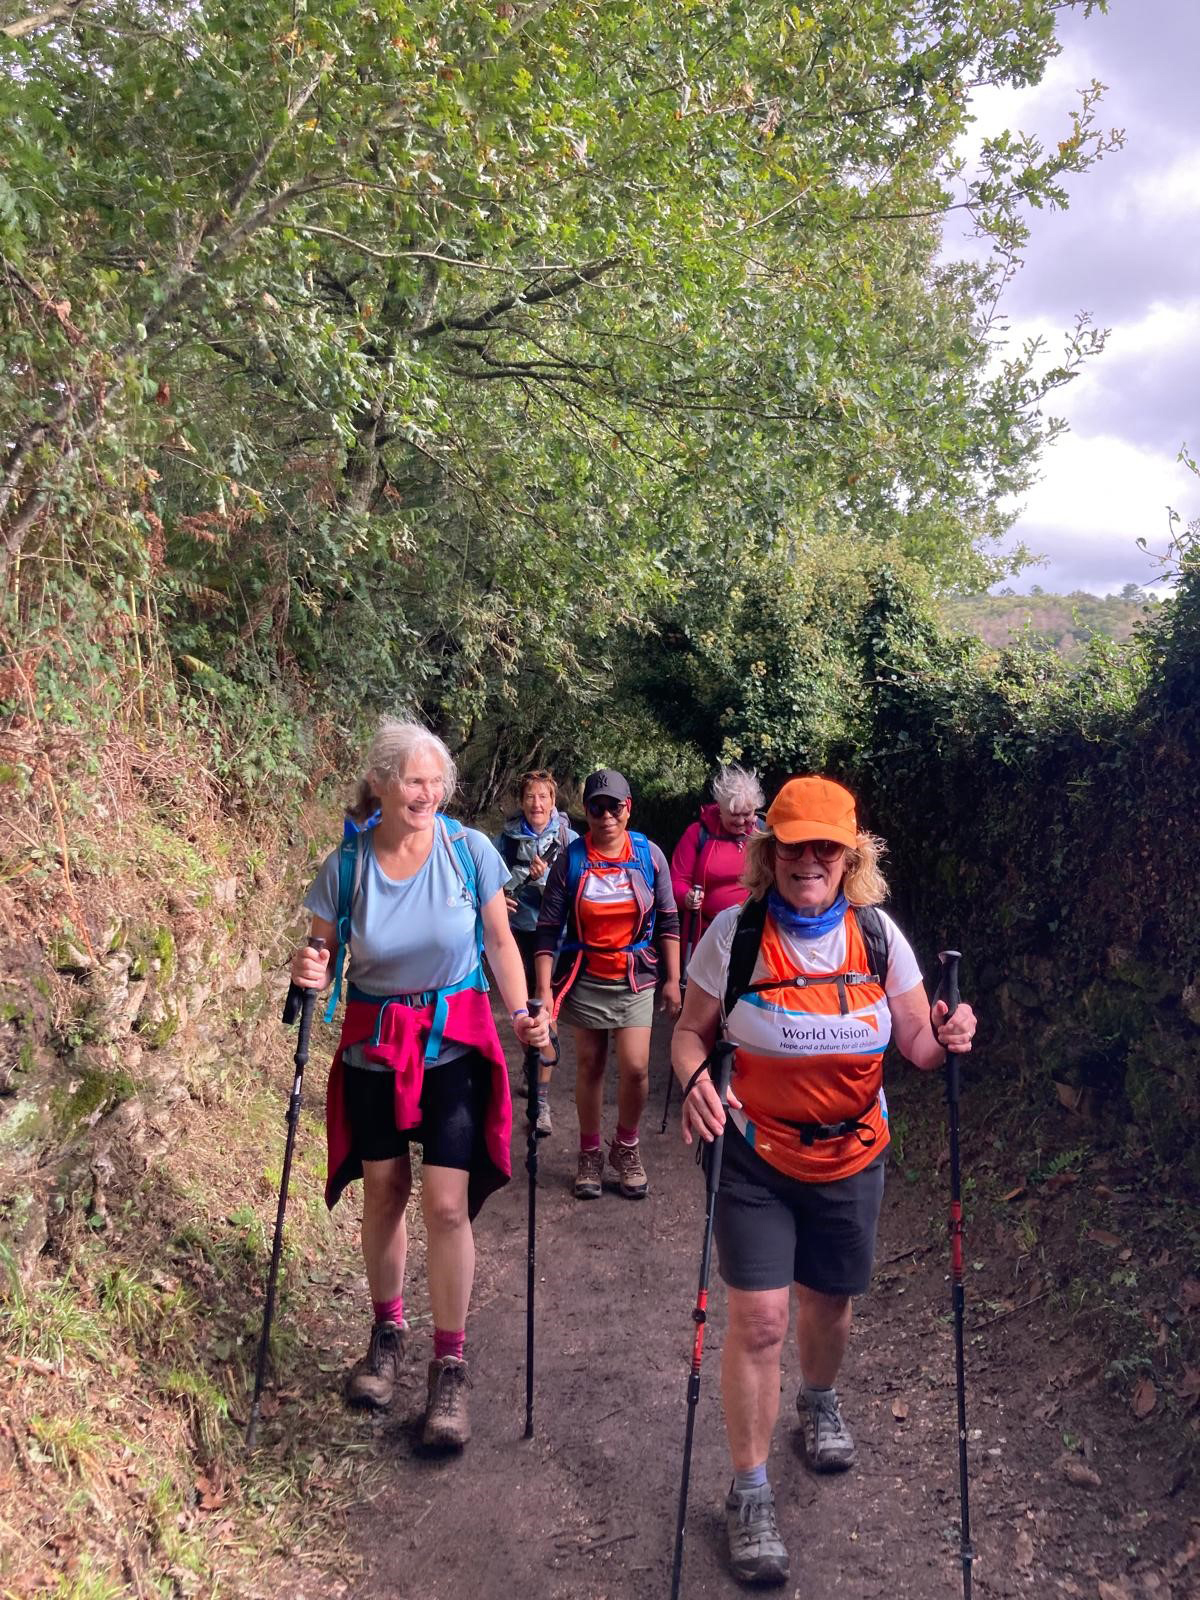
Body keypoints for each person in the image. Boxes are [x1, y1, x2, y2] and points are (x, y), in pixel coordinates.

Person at [670, 775, 976, 1587]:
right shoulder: (734, 935)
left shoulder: (878, 938)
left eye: (826, 847)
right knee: (762, 1318)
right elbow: (690, 1033)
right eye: (794, 844)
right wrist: (695, 1077)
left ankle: (818, 1400)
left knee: (829, 1303)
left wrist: (948, 1034)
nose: (809, 859)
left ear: (850, 856)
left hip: (851, 1153)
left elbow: (916, 1039)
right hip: (754, 1154)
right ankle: (749, 1489)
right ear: (770, 853)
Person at [290, 718, 550, 1452]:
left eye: (436, 782)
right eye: (413, 780)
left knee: (444, 1204)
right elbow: (317, 952)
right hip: (375, 1045)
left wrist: (525, 1013)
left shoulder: (469, 853)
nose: (427, 793)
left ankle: (450, 1366)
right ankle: (386, 1333)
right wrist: (306, 972)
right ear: (380, 783)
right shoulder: (346, 866)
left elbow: (500, 941)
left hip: (455, 1044)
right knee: (382, 1191)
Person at [534, 768, 682, 1201]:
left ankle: (626, 1146)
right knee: (591, 1066)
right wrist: (544, 990)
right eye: (596, 807)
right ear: (586, 810)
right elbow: (547, 929)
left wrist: (673, 979)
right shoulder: (572, 859)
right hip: (586, 976)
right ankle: (590, 1152)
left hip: (635, 978)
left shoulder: (649, 855)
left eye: (613, 806)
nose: (605, 816)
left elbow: (669, 918)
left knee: (636, 1068)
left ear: (627, 808)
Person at [492, 770, 578, 1136]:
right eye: (530, 796)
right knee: (523, 1008)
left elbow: (576, 896)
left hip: (555, 939)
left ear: (554, 801)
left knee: (545, 1009)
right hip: (517, 934)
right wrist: (500, 901)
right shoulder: (506, 840)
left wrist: (546, 882)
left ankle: (540, 1105)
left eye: (543, 796)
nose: (536, 804)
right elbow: (489, 884)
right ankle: (532, 1067)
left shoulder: (568, 841)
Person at [670, 764, 765, 951]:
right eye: (734, 814)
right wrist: (686, 897)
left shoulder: (763, 833)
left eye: (746, 814)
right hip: (708, 933)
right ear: (720, 809)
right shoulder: (697, 833)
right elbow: (677, 880)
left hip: (755, 931)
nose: (740, 821)